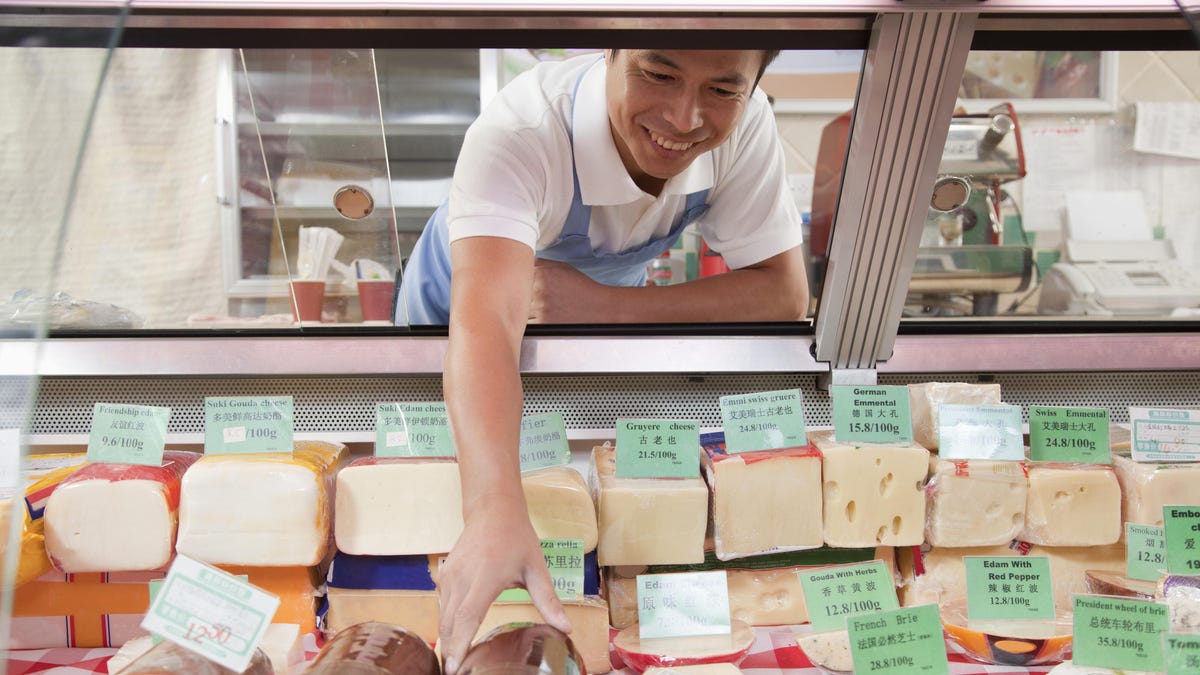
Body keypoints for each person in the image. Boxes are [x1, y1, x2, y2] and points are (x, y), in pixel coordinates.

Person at [400, 49, 811, 675]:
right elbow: (487, 325)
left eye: (723, 89)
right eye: (659, 74)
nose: (685, 117)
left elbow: (782, 293)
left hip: (590, 325)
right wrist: (492, 507)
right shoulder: (523, 129)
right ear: (610, 50)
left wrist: (607, 306)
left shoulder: (746, 124)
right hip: (456, 322)